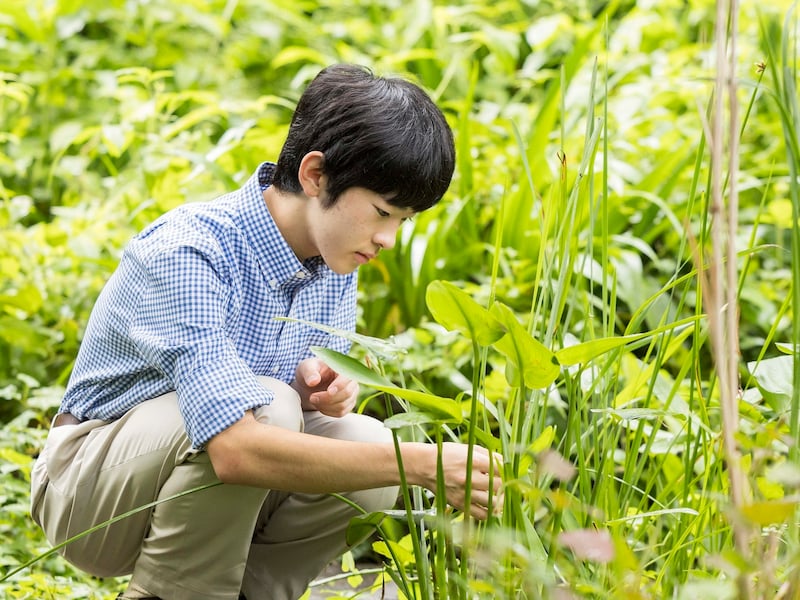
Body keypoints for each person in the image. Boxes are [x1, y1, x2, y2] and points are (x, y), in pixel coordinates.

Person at [30, 64, 502, 600]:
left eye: (404, 220)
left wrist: (318, 395)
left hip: (205, 492)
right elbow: (235, 449)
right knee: (271, 407)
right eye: (382, 211)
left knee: (365, 441)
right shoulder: (190, 251)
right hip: (88, 494)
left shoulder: (333, 259)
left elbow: (288, 416)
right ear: (315, 175)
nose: (389, 238)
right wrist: (420, 463)